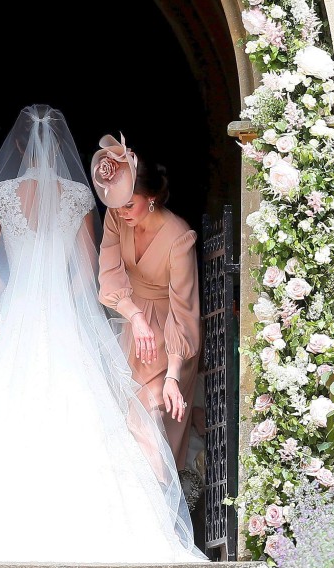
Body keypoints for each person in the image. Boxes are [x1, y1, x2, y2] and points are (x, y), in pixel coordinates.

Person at [0, 105, 207, 563]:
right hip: (65, 320)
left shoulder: (3, 194)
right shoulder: (76, 196)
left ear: (16, 147)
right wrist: (72, 306)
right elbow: (87, 268)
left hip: (11, 316)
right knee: (88, 411)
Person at [93, 134, 202, 471]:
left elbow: (184, 312)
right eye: (117, 205)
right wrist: (135, 315)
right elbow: (109, 274)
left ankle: (158, 514)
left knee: (150, 424)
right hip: (130, 327)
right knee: (119, 424)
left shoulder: (178, 237)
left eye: (130, 204)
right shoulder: (115, 218)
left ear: (151, 197)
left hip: (170, 341)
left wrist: (173, 375)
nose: (122, 213)